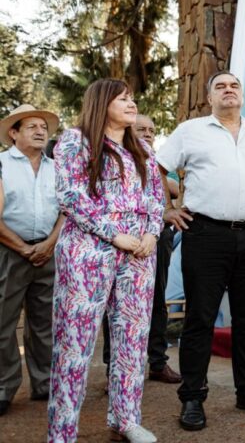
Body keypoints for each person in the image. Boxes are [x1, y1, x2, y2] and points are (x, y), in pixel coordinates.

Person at [158, 71, 245, 432]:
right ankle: (193, 396)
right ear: (209, 97)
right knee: (200, 318)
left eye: (235, 85)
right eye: (220, 86)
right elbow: (156, 169)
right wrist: (166, 208)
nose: (229, 90)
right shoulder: (190, 131)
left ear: (242, 95)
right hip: (206, 234)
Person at [48, 79, 165, 443]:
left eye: (133, 99)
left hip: (139, 255)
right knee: (74, 344)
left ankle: (125, 419)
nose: (132, 104)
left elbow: (156, 196)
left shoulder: (142, 148)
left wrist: (151, 233)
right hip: (88, 250)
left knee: (132, 339)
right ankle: (62, 432)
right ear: (102, 102)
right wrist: (113, 233)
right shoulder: (74, 140)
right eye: (124, 99)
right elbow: (70, 194)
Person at [101, 114, 182, 385]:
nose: (147, 133)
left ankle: (157, 362)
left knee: (156, 299)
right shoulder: (111, 156)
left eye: (151, 130)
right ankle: (113, 365)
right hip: (117, 236)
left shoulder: (157, 160)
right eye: (141, 129)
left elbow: (173, 187)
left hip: (156, 237)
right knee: (113, 300)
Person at [0, 105, 64, 417]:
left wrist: (49, 244)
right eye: (32, 127)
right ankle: (3, 387)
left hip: (49, 252)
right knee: (2, 321)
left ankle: (45, 383)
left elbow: (67, 210)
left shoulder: (57, 168)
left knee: (44, 323)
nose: (41, 131)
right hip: (8, 251)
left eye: (44, 127)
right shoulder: (0, 164)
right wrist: (23, 248)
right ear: (14, 133)